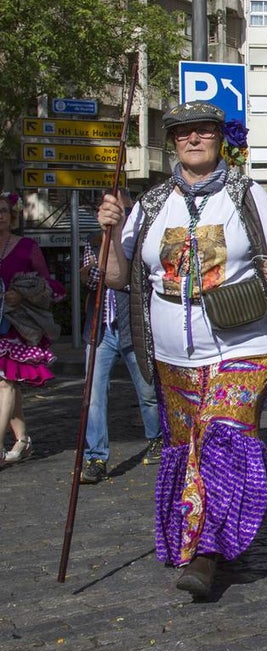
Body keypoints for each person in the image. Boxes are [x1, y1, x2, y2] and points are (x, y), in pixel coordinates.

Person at [95, 101, 267, 597]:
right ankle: (206, 532)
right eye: (183, 132)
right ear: (172, 143)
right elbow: (117, 277)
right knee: (188, 447)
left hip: (244, 343)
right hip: (172, 355)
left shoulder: (247, 195)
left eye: (203, 131)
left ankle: (206, 554)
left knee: (223, 437)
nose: (193, 139)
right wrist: (106, 232)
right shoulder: (148, 206)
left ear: (218, 139)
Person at [77, 230, 162, 485]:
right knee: (93, 395)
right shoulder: (93, 241)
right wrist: (104, 269)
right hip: (100, 329)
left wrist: (110, 274)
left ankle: (156, 438)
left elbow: (138, 281)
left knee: (147, 390)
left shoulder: (139, 242)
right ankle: (95, 457)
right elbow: (91, 280)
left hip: (131, 327)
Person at [0, 191, 62, 466]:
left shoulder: (27, 246)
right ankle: (22, 440)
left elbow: (47, 285)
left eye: (3, 211)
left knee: (5, 382)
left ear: (12, 216)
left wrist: (22, 295)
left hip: (17, 326)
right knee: (8, 386)